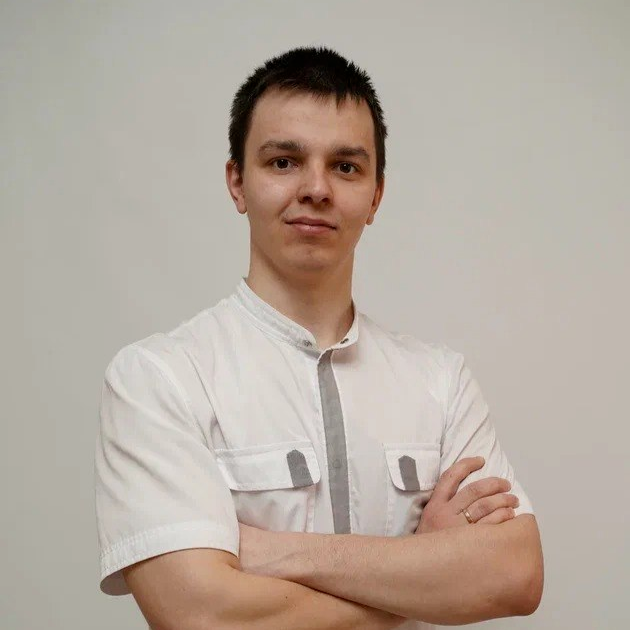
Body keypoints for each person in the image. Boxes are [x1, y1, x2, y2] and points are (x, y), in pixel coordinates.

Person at [94, 45, 543, 630]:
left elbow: (515, 574)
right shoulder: (161, 378)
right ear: (237, 182)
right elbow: (200, 615)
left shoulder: (441, 382)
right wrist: (422, 571)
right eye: (284, 161)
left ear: (376, 195)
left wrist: (272, 552)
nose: (316, 188)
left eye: (346, 167)